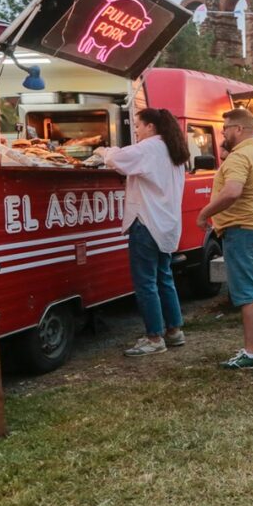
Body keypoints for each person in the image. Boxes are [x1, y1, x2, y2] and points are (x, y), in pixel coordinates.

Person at [97, 108, 189, 357]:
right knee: (164, 278)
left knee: (146, 282)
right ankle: (174, 331)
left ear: (151, 127)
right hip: (167, 223)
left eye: (137, 125)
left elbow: (118, 159)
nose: (135, 130)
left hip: (147, 222)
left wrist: (102, 150)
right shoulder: (172, 149)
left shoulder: (149, 148)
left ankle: (153, 337)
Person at [196, 108, 253, 370]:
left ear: (239, 129)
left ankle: (251, 353)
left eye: (226, 128)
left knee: (248, 293)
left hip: (242, 230)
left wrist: (205, 213)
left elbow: (232, 192)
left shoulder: (239, 156)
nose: (223, 133)